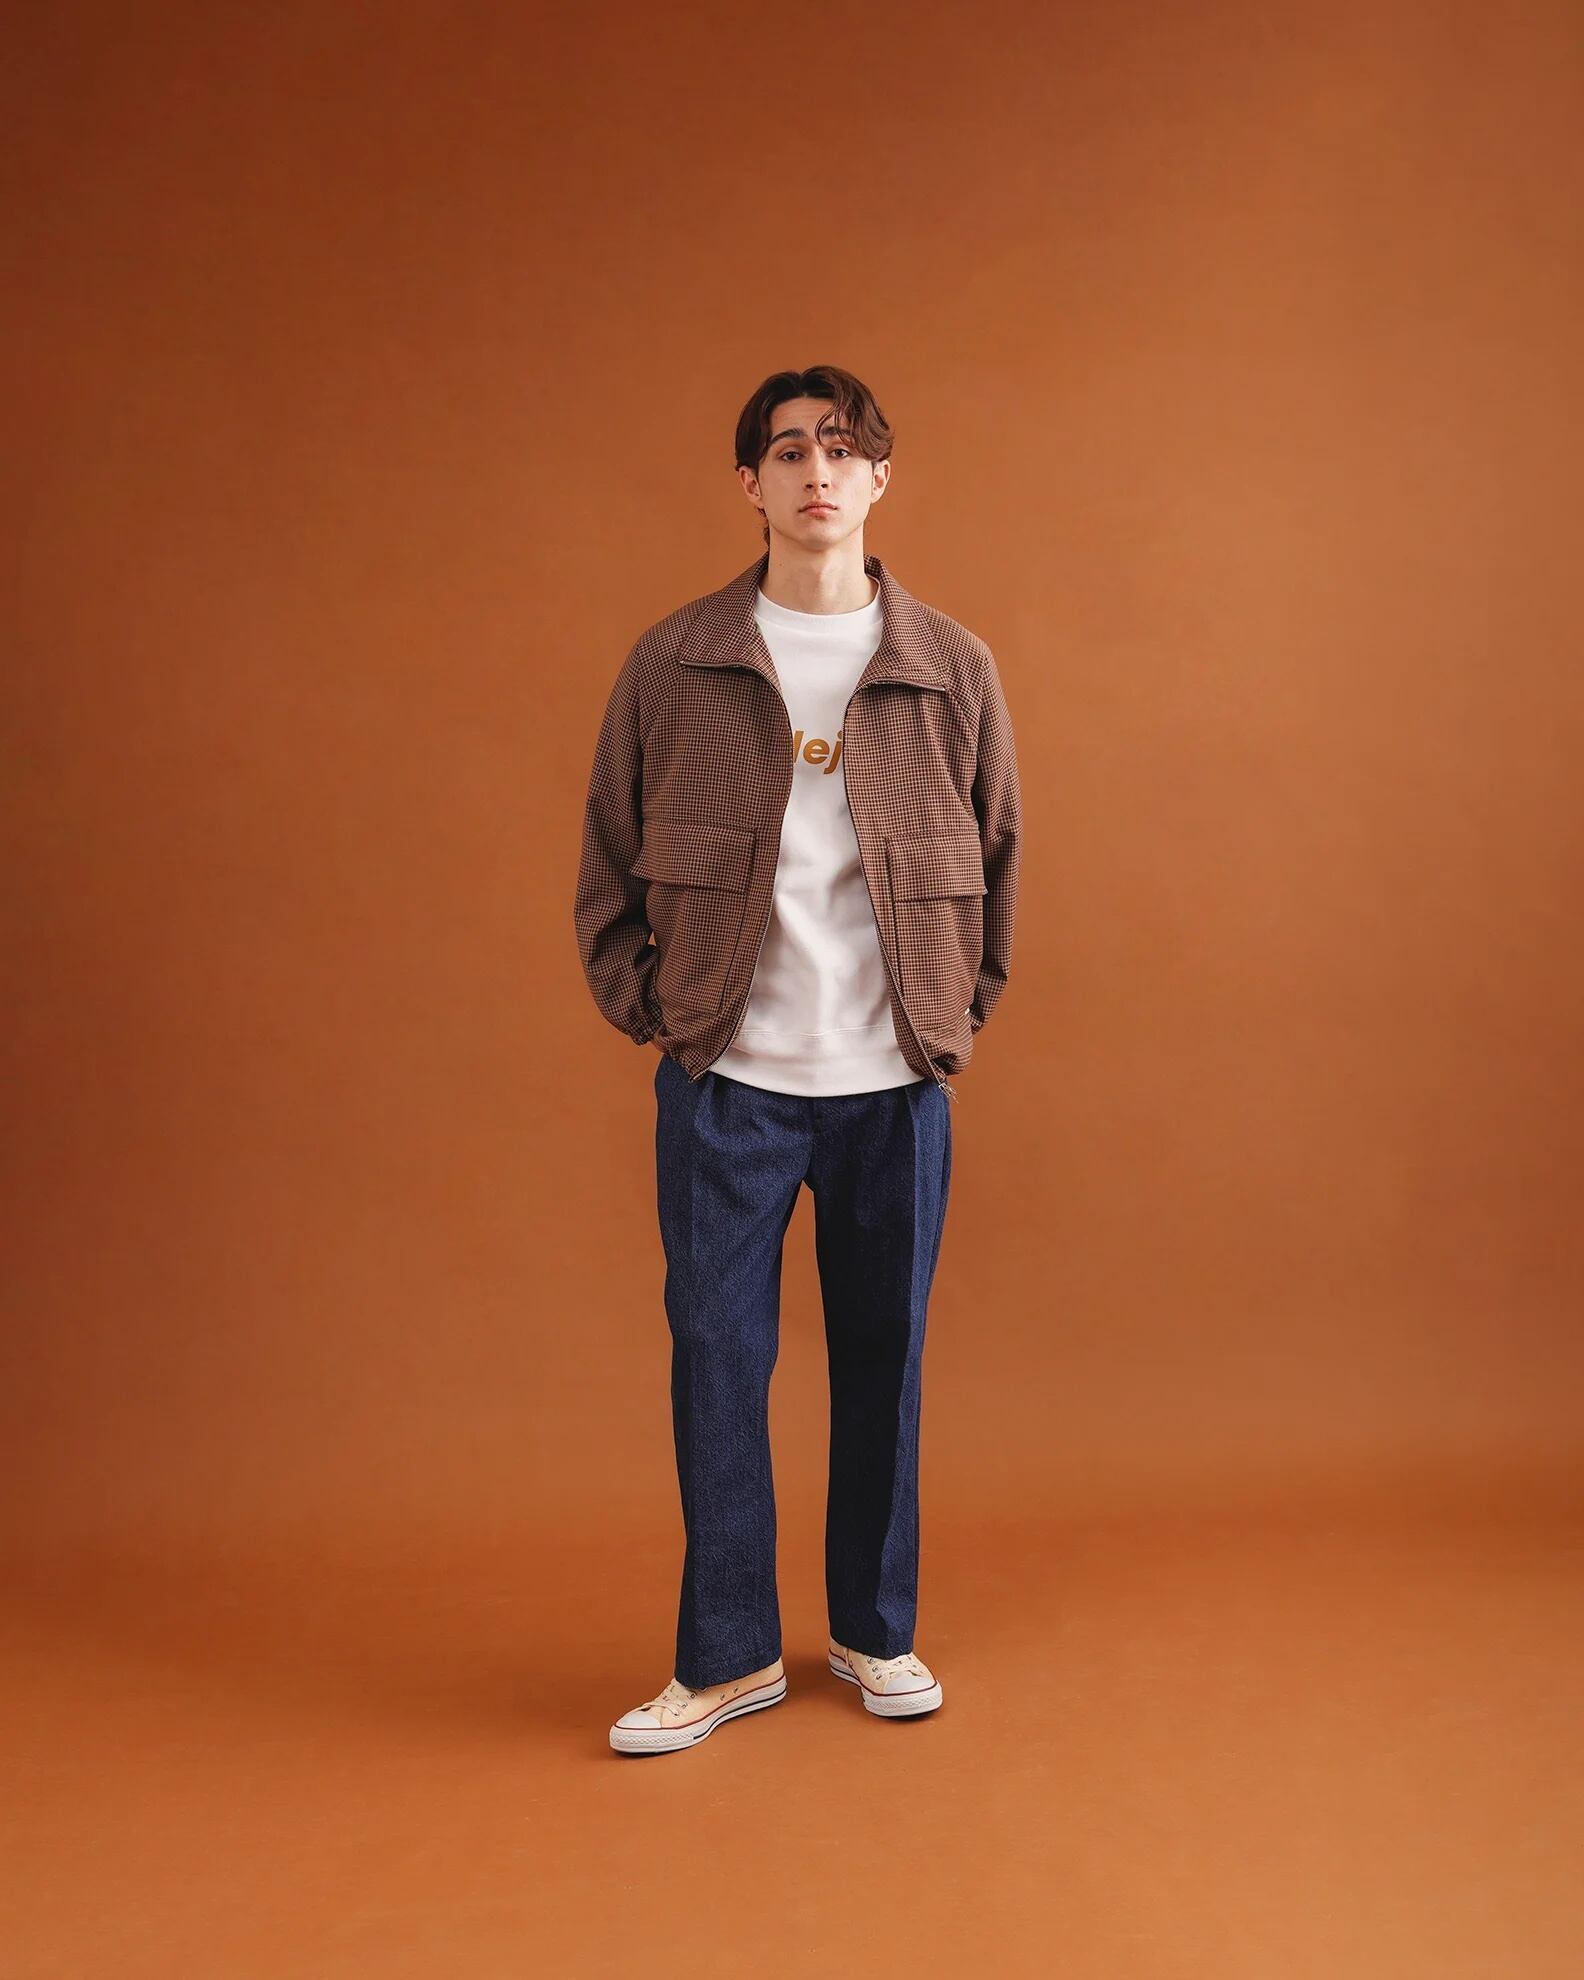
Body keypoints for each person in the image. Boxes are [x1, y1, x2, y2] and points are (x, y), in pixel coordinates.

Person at [573, 363, 1021, 1755]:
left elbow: (998, 857)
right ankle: (727, 1657)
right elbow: (607, 858)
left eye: (841, 448)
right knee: (715, 1363)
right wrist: (665, 1019)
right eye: (787, 451)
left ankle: (876, 1633)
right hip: (731, 1083)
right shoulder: (676, 662)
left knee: (886, 1361)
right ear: (750, 483)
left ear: (880, 477)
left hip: (893, 1087)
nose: (815, 471)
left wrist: (948, 1020)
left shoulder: (950, 667)